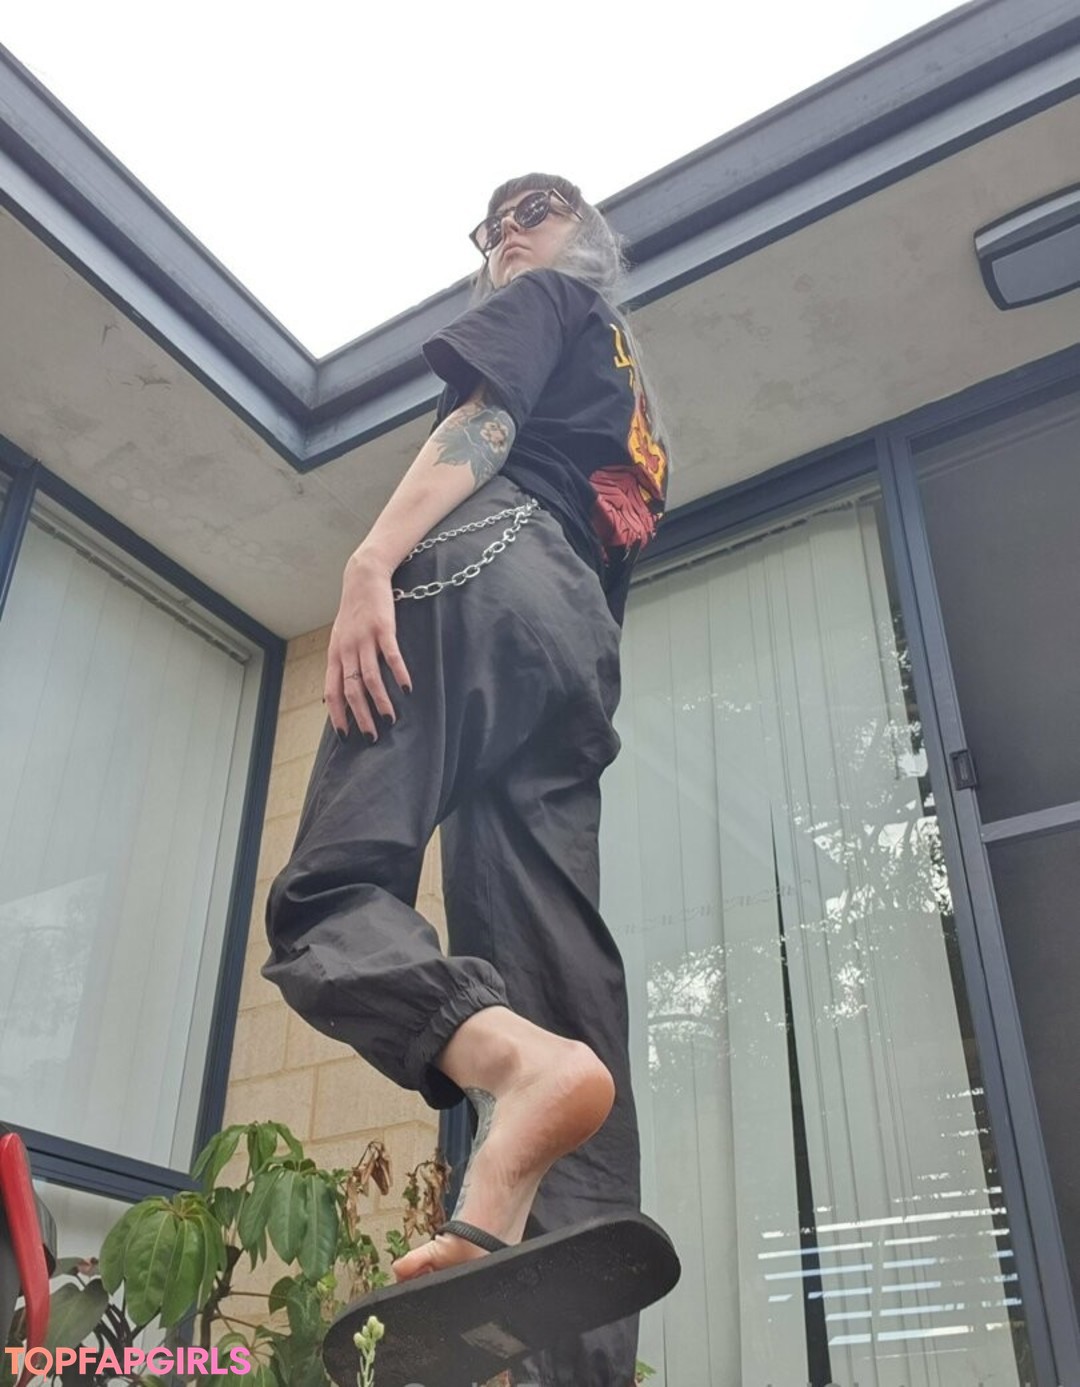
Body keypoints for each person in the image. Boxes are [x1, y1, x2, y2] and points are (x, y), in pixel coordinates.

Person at [262, 174, 670, 1386]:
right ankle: (571, 1351)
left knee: (328, 898)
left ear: (588, 236)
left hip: (486, 567)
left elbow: (487, 424)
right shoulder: (640, 419)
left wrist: (371, 560)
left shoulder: (554, 300)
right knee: (559, 987)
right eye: (490, 226)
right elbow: (594, 582)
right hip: (574, 656)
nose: (505, 235)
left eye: (532, 207)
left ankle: (512, 1066)